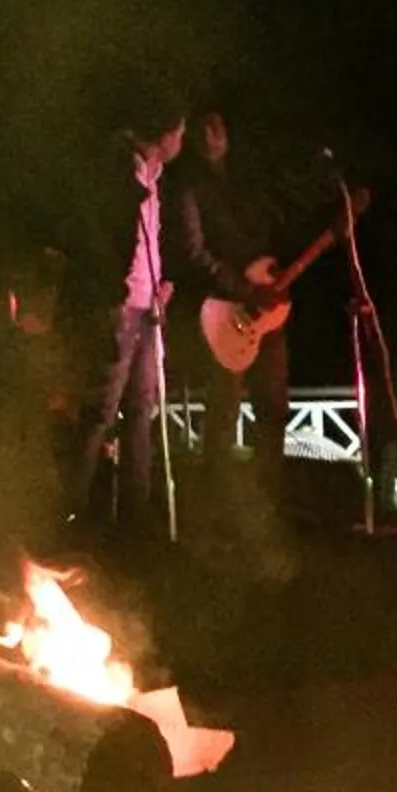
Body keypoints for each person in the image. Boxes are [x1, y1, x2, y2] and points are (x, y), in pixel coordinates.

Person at [165, 107, 290, 518]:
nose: (209, 135)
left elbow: (271, 235)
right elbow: (193, 254)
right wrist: (244, 289)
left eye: (216, 127)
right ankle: (220, 504)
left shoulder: (249, 185)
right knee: (224, 410)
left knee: (273, 405)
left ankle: (267, 501)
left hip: (264, 310)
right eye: (202, 128)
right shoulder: (188, 189)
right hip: (221, 313)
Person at [73, 104, 186, 535]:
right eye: (180, 132)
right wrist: (117, 290)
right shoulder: (123, 171)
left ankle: (134, 514)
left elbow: (152, 240)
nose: (182, 141)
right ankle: (75, 511)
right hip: (121, 306)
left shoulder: (157, 180)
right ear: (167, 133)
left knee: (142, 409)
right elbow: (105, 233)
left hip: (148, 306)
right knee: (103, 408)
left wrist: (162, 285)